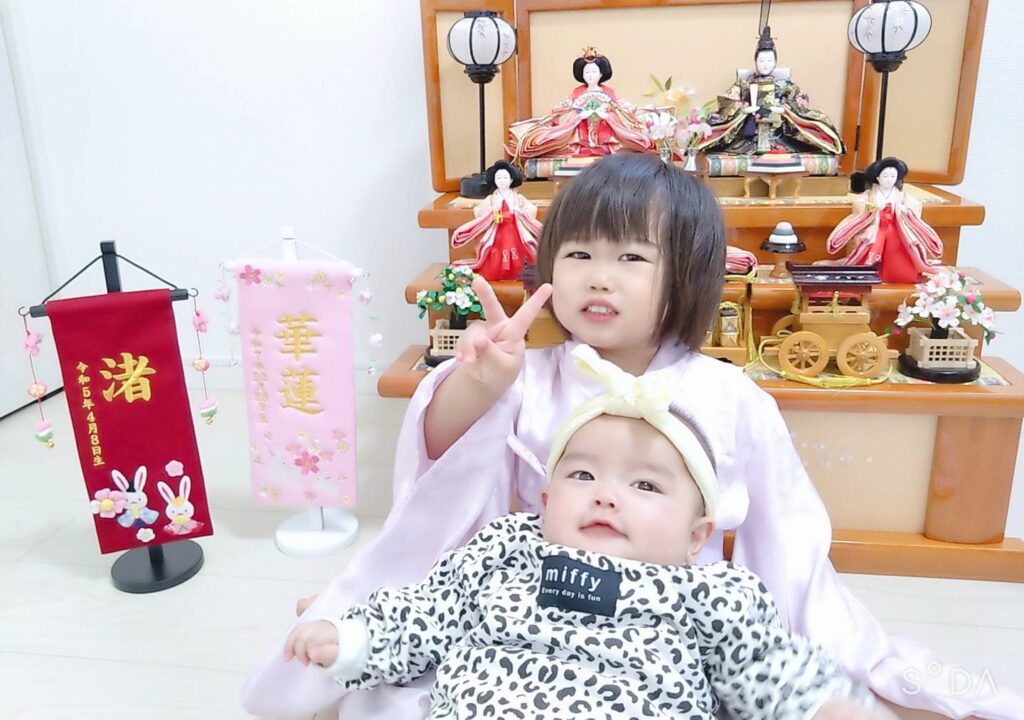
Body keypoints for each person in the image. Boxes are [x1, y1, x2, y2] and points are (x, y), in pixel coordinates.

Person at [243, 154, 1022, 719]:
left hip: (661, 625)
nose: (598, 276)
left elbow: (785, 541)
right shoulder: (528, 374)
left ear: (686, 274)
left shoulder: (731, 397)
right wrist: (479, 384)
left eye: (631, 257)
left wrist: (822, 654)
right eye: (578, 253)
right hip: (525, 614)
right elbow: (442, 475)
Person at [285, 344, 892, 720]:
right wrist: (352, 637)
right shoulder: (505, 549)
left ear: (695, 535)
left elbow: (765, 665)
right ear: (546, 500)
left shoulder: (710, 592)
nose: (607, 494)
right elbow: (426, 612)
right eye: (582, 474)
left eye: (646, 485)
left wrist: (826, 705)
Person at [697, 26, 844, 156]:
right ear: (755, 61)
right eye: (761, 61)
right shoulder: (744, 84)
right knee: (711, 124)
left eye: (769, 60)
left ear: (775, 62)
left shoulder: (784, 85)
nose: (765, 65)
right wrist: (744, 110)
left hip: (779, 135)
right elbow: (728, 102)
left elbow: (801, 101)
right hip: (749, 136)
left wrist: (784, 110)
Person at [507, 47, 653, 160]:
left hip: (605, 129)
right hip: (581, 130)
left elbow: (625, 108)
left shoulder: (609, 92)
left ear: (601, 74)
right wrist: (578, 115)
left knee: (632, 142)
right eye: (587, 72)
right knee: (563, 141)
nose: (590, 75)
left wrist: (608, 115)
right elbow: (559, 110)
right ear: (582, 75)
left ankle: (604, 146)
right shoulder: (577, 93)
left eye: (594, 72)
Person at [826, 157, 943, 283]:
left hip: (896, 229)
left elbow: (914, 205)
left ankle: (896, 274)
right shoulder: (870, 194)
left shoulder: (901, 195)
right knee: (870, 247)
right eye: (886, 176)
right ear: (877, 177)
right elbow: (859, 204)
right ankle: (867, 274)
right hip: (877, 227)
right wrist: (873, 207)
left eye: (893, 176)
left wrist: (904, 210)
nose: (889, 179)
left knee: (898, 252)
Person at [451, 160, 543, 282]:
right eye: (498, 178)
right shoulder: (491, 198)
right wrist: (491, 213)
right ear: (494, 180)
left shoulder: (518, 198)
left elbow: (530, 208)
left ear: (511, 180)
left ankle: (519, 272)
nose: (502, 181)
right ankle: (497, 272)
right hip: (498, 229)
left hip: (514, 228)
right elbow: (479, 210)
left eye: (505, 177)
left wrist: (520, 213)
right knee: (495, 252)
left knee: (520, 250)